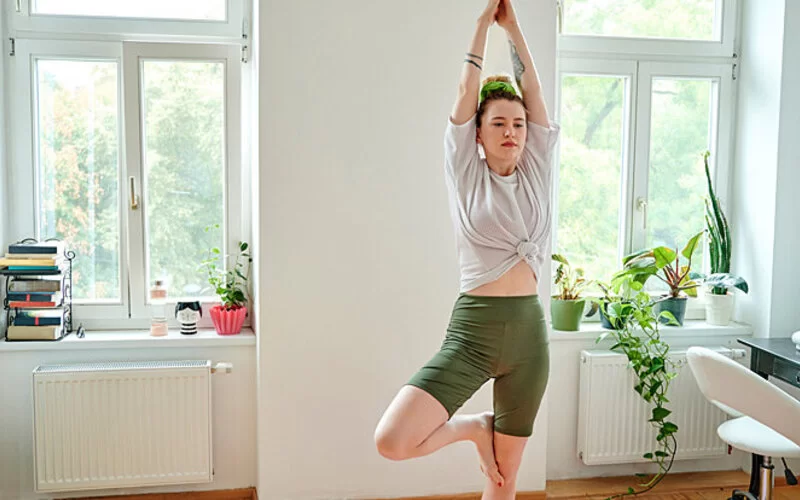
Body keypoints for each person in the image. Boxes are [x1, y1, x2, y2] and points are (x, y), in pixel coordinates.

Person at [374, 0, 560, 497]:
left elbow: (534, 89)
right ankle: (475, 428)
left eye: (518, 125)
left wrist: (515, 28)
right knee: (392, 440)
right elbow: (466, 90)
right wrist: (483, 26)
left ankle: (489, 442)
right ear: (477, 133)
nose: (511, 133)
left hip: (528, 338)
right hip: (472, 331)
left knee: (505, 478)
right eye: (498, 123)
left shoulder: (537, 166)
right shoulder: (464, 170)